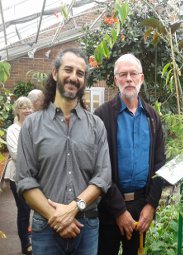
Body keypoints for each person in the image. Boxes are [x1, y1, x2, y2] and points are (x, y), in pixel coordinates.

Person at [15, 48, 112, 255]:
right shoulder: (32, 125)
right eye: (68, 70)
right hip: (46, 227)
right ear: (55, 73)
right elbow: (24, 180)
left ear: (84, 80)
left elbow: (103, 176)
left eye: (80, 73)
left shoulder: (96, 125)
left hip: (86, 227)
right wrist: (56, 217)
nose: (73, 77)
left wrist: (73, 208)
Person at [94, 53, 166, 255]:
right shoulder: (102, 116)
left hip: (141, 207)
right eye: (123, 74)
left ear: (141, 78)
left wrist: (151, 205)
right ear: (116, 80)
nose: (128, 79)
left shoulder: (152, 117)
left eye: (133, 73)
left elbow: (160, 164)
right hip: (109, 208)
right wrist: (119, 211)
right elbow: (99, 167)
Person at [5, 96, 33, 255]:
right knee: (23, 210)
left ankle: (32, 237)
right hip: (18, 177)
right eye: (23, 108)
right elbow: (16, 154)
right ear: (18, 110)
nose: (27, 110)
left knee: (35, 208)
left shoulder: (33, 127)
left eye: (29, 107)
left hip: (34, 176)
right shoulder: (12, 130)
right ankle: (25, 244)